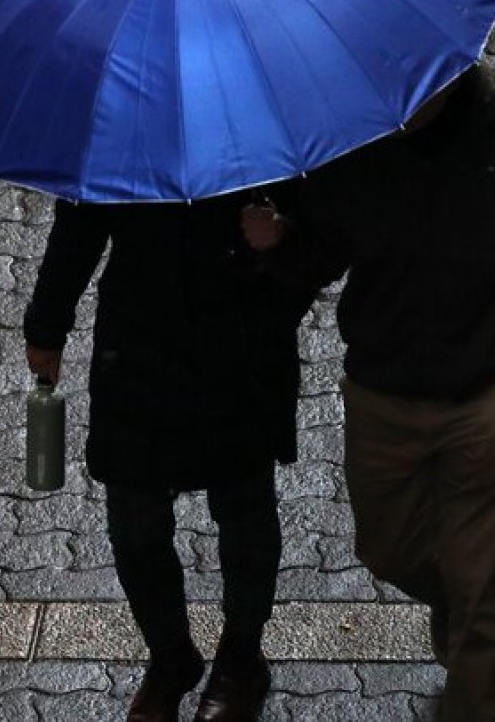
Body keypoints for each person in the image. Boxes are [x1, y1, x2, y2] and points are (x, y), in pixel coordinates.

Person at [241, 62, 495, 722]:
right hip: (384, 395)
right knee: (389, 551)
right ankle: (459, 602)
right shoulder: (355, 137)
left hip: (490, 402)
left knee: (483, 597)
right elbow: (321, 252)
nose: (401, 98)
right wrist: (276, 241)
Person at [25, 192, 317, 722]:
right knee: (134, 522)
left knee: (245, 509)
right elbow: (80, 222)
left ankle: (241, 660)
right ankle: (170, 657)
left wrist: (282, 234)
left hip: (241, 340)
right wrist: (46, 324)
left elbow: (326, 226)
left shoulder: (259, 121)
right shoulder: (116, 124)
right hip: (139, 342)